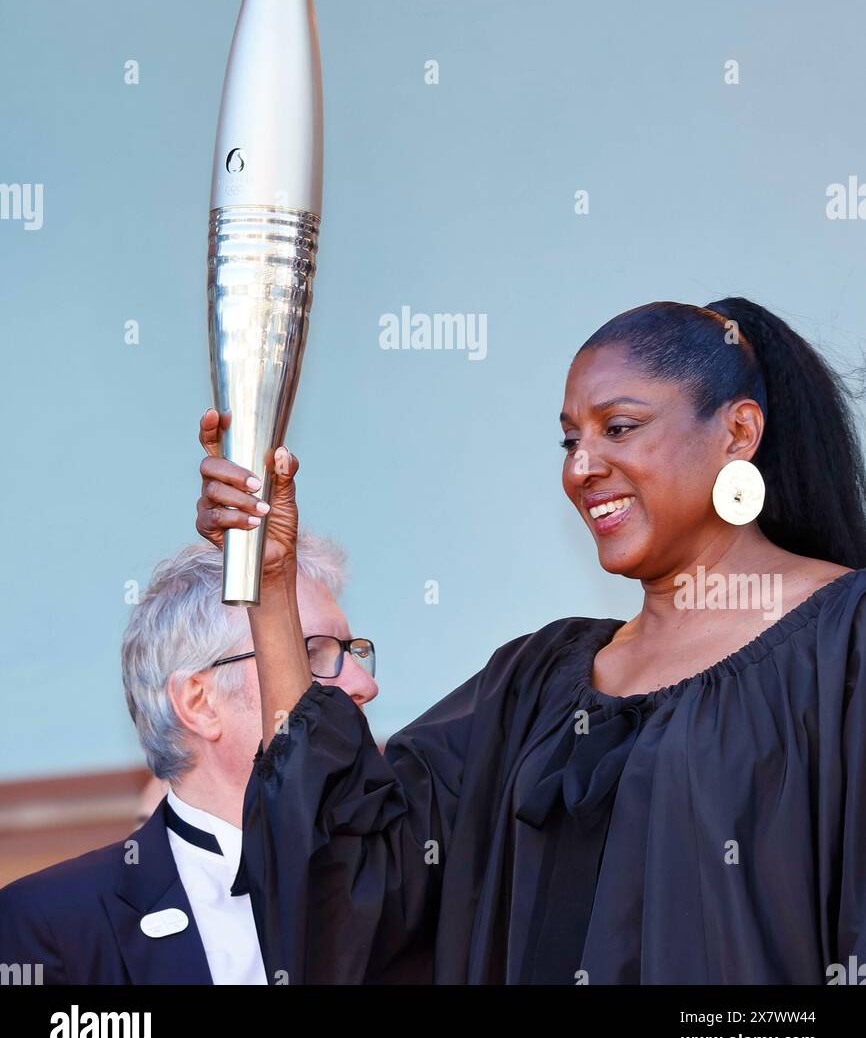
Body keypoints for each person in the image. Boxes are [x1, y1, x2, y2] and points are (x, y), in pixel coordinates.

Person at [204, 298, 866, 985]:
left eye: (619, 427)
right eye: (570, 441)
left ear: (738, 432)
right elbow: (353, 882)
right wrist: (273, 583)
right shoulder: (535, 684)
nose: (582, 468)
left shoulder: (845, 646)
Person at [0, 500, 377, 985]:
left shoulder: (408, 883)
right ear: (199, 702)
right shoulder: (52, 926)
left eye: (353, 653)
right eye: (313, 654)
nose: (363, 685)